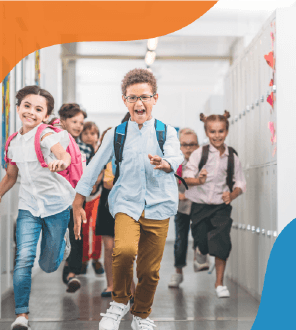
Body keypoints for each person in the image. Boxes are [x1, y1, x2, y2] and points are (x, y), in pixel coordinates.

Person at [72, 68, 184, 330]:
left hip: (159, 205)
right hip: (126, 204)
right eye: (132, 98)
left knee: (149, 271)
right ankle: (119, 301)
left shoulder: (166, 132)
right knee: (123, 251)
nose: (139, 103)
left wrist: (165, 163)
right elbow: (94, 166)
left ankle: (141, 315)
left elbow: (176, 158)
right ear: (125, 101)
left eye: (144, 97)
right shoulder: (116, 133)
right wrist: (78, 200)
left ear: (155, 98)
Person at [0, 85, 73, 330]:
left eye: (38, 109)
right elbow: (11, 176)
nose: (31, 112)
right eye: (27, 106)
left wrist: (59, 162)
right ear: (18, 108)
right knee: (23, 258)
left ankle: (61, 243)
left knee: (48, 265)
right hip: (29, 206)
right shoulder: (13, 141)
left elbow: (63, 155)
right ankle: (21, 315)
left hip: (57, 205)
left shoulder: (45, 134)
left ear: (45, 115)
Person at [183, 111, 246, 299]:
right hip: (200, 206)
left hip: (221, 206)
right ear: (206, 132)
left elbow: (240, 183)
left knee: (222, 242)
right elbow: (186, 178)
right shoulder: (198, 154)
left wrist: (232, 194)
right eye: (212, 132)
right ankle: (200, 251)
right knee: (201, 240)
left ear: (226, 131)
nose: (217, 135)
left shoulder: (232, 156)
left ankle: (219, 283)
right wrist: (198, 180)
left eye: (220, 131)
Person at [96, 128, 136, 300]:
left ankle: (129, 285)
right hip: (107, 204)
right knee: (109, 247)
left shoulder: (129, 158)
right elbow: (99, 184)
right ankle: (111, 284)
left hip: (126, 204)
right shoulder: (100, 160)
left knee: (126, 248)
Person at [58, 103, 94, 292]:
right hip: (57, 196)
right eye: (75, 121)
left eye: (81, 122)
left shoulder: (86, 148)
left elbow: (91, 172)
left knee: (77, 233)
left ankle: (72, 272)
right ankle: (65, 265)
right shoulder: (54, 143)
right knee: (59, 234)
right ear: (63, 122)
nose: (79, 126)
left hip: (78, 196)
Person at [168, 128, 206, 289]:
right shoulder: (175, 163)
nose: (189, 148)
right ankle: (178, 271)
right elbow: (168, 184)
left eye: (192, 144)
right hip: (181, 207)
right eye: (185, 144)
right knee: (180, 239)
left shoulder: (202, 162)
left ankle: (199, 257)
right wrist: (178, 195)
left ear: (198, 146)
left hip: (199, 205)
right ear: (179, 146)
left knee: (201, 233)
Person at [79, 121, 104, 276]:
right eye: (86, 133)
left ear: (97, 136)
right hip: (82, 196)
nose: (89, 137)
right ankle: (83, 260)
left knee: (96, 227)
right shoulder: (79, 151)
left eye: (92, 134)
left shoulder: (101, 151)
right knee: (83, 229)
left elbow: (103, 169)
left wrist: (96, 182)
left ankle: (95, 258)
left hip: (96, 195)